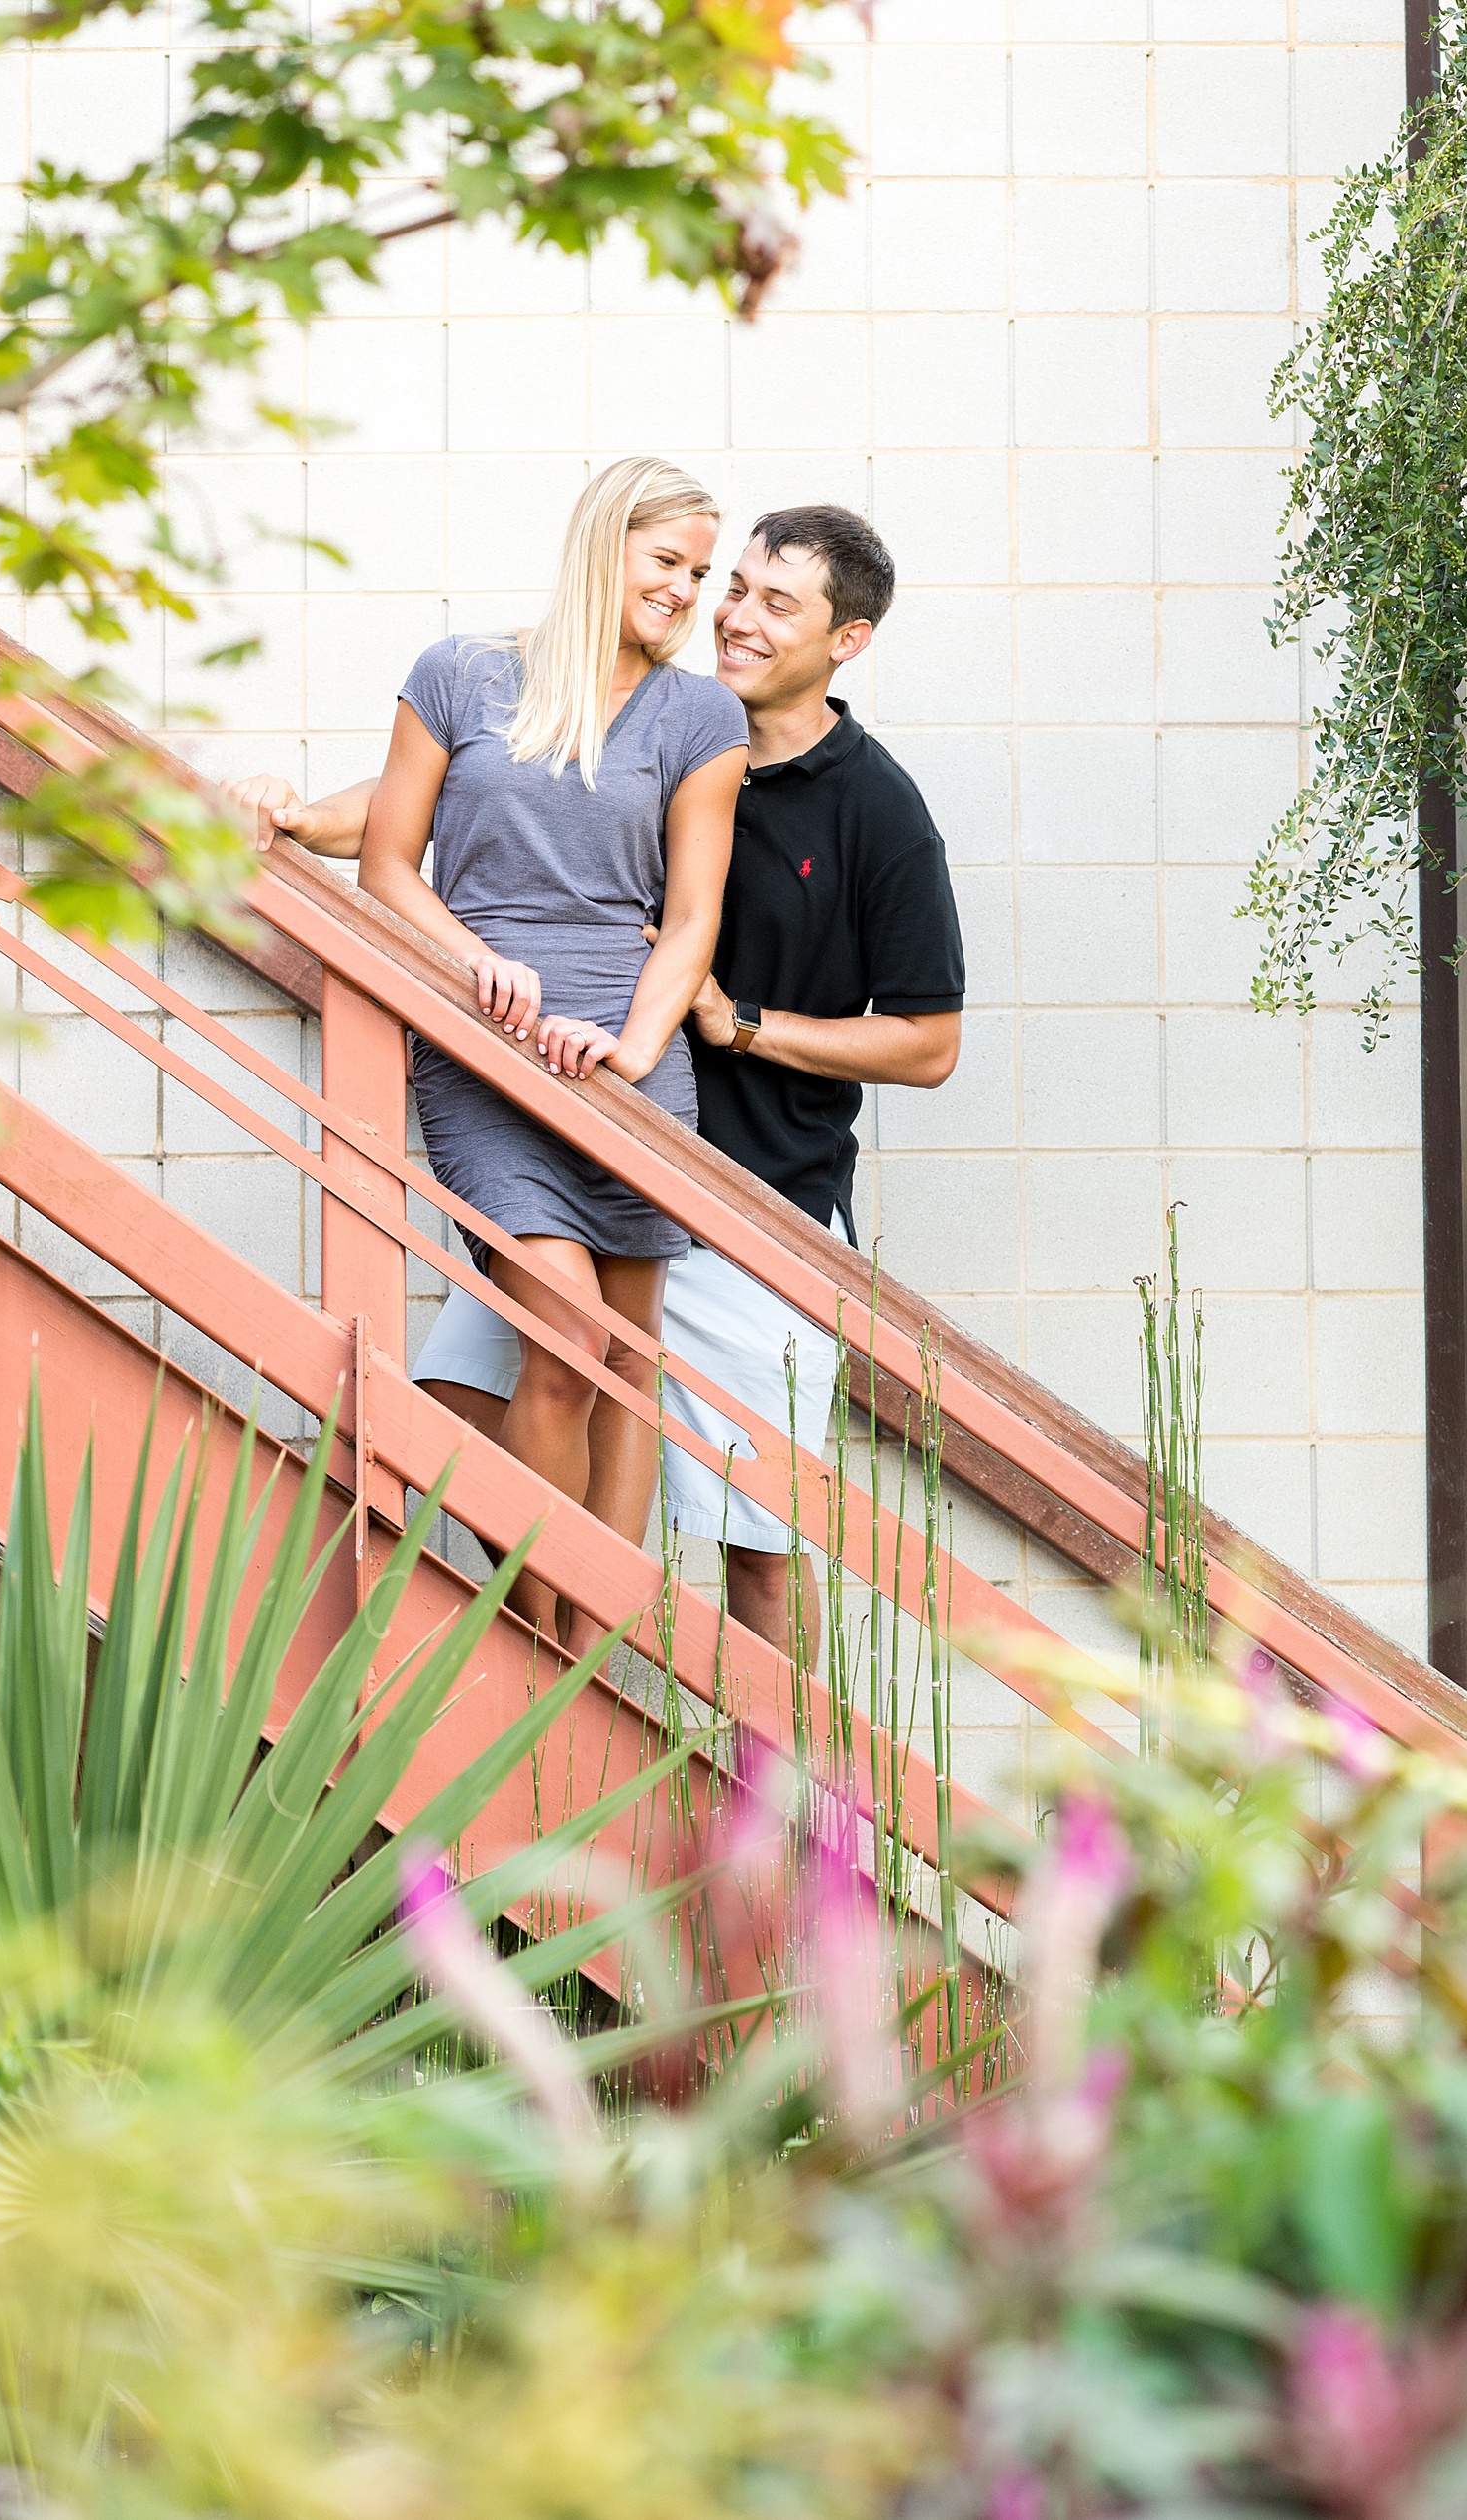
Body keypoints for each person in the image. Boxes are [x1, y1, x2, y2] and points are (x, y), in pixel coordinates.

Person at [229, 505, 963, 1661]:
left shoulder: (870, 807)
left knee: (759, 1554)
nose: (730, 611)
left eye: (776, 602)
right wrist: (291, 813)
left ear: (845, 641)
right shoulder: (642, 714)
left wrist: (742, 1025)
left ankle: (788, 1826)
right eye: (735, 586)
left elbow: (927, 1044)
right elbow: (455, 790)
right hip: (563, 1123)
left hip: (752, 1194)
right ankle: (556, 1658)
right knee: (465, 1406)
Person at [319, 456, 748, 1652]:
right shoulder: (458, 677)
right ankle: (538, 1640)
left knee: (627, 1363)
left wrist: (632, 1044)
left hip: (625, 1061)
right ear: (602, 545)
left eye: (700, 571)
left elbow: (695, 913)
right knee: (562, 1345)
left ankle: (590, 1657)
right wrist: (470, 963)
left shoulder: (700, 715)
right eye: (667, 562)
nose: (686, 591)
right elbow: (388, 864)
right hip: (486, 1051)